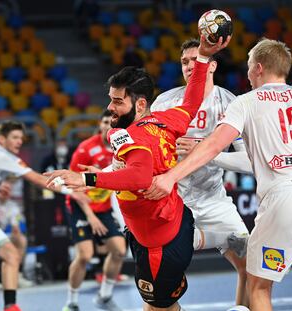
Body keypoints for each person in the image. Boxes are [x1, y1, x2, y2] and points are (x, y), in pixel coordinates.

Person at [143, 38, 292, 311]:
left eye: (250, 67)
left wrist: (172, 174)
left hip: (278, 197)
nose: (248, 74)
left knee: (259, 286)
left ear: (259, 68)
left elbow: (216, 145)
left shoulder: (243, 102)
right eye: (185, 61)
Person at [44, 35, 230, 311]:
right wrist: (202, 58)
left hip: (159, 243)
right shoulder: (166, 120)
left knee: (158, 308)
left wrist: (86, 178)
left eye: (118, 102)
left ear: (140, 104)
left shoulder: (128, 135)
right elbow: (192, 100)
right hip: (169, 223)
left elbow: (140, 176)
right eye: (111, 100)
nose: (110, 108)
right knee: (160, 306)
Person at [150, 38, 252, 307]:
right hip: (175, 202)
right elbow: (148, 152)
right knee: (161, 281)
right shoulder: (164, 102)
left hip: (214, 201)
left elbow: (249, 162)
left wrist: (207, 152)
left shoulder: (232, 104)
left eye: (196, 60)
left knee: (252, 266)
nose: (189, 66)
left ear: (212, 65)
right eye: (184, 62)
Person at [0, 120, 89, 311]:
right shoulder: (4, 157)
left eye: (21, 138)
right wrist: (71, 191)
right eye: (14, 137)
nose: (19, 141)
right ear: (2, 139)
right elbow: (37, 179)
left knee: (11, 255)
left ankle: (10, 307)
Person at [63, 110, 127, 311]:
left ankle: (104, 297)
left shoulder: (121, 148)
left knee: (119, 250)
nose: (109, 125)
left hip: (104, 207)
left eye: (113, 121)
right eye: (105, 121)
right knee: (84, 255)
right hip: (80, 206)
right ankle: (71, 302)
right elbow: (72, 184)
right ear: (100, 124)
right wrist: (90, 216)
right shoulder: (86, 149)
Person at [0, 178, 33, 290]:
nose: (6, 192)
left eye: (8, 190)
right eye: (3, 190)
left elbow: (15, 225)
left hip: (2, 235)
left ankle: (18, 275)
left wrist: (16, 232)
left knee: (21, 240)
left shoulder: (13, 206)